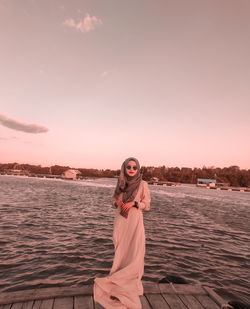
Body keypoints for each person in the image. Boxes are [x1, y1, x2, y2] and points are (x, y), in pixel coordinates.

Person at [94, 157, 151, 309]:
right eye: (128, 167)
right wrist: (117, 202)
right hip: (120, 221)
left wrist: (134, 203)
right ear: (124, 168)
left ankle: (130, 288)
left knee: (134, 254)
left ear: (138, 169)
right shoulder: (120, 182)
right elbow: (113, 199)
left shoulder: (143, 184)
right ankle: (116, 286)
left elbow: (147, 205)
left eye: (134, 167)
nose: (131, 169)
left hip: (135, 222)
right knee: (119, 251)